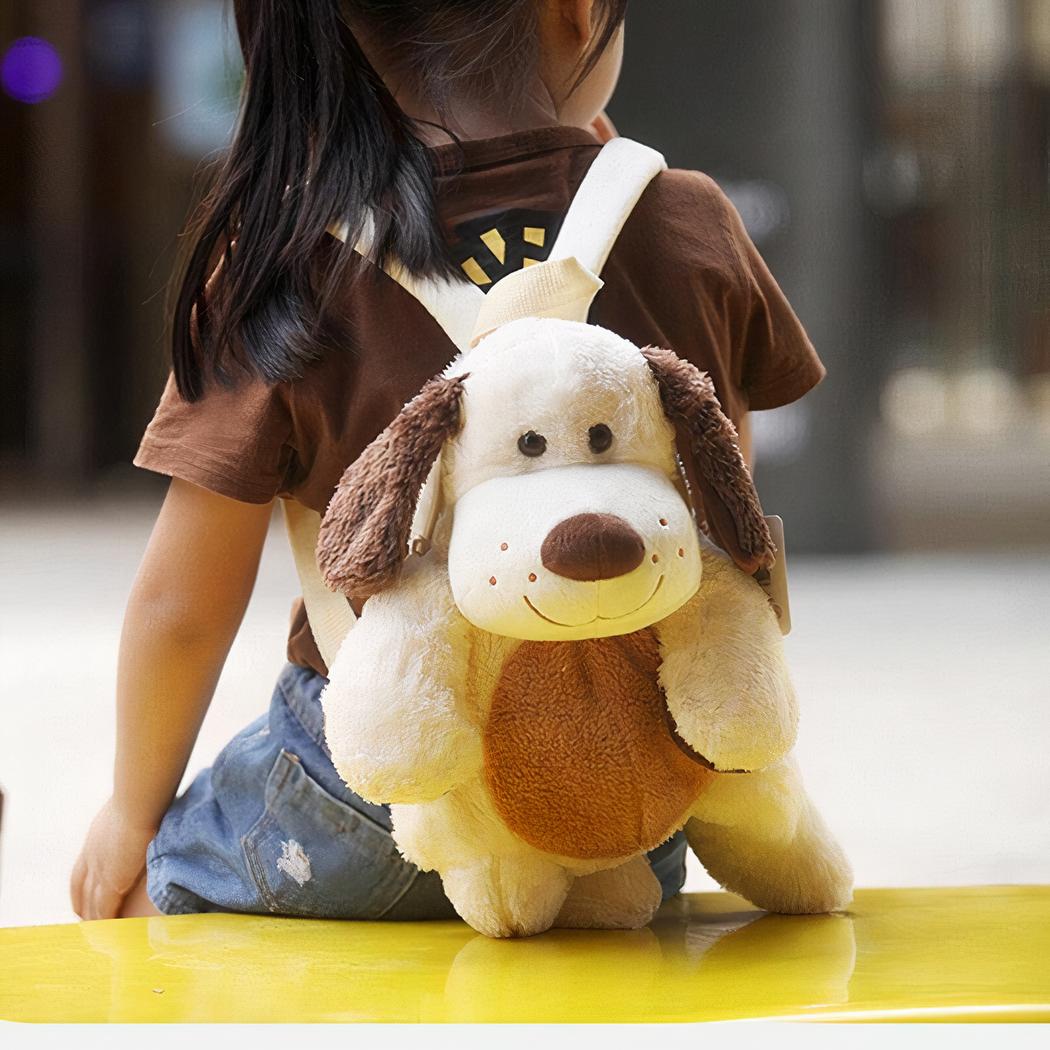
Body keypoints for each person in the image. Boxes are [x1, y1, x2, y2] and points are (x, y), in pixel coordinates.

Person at [70, 0, 825, 921]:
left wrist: (129, 813)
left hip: (370, 799)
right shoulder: (686, 220)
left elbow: (183, 607)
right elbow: (722, 515)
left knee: (160, 884)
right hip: (623, 802)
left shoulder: (289, 256)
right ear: (578, 10)